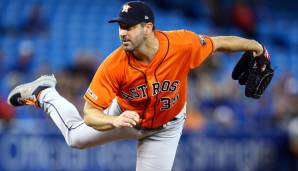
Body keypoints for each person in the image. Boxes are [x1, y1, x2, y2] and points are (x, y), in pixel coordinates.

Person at [7, 1, 265, 171]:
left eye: (129, 27)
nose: (122, 33)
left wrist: (255, 46)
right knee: (75, 138)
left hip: (167, 126)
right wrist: (114, 121)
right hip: (125, 116)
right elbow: (90, 113)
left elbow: (219, 42)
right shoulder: (114, 64)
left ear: (148, 28)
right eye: (121, 26)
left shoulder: (181, 44)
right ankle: (45, 93)